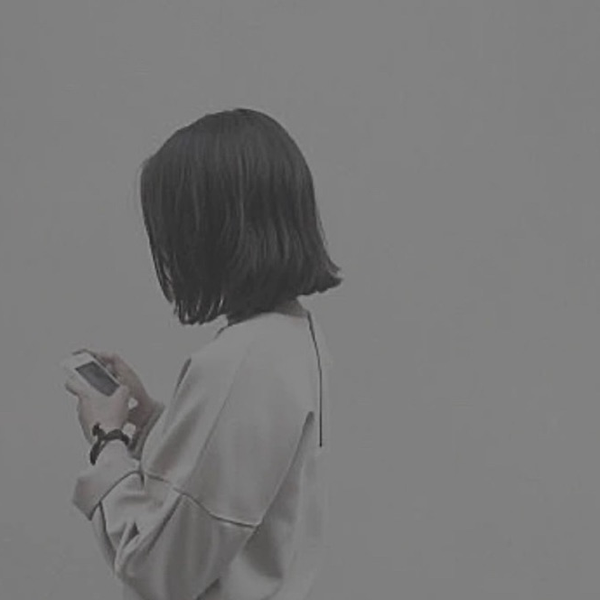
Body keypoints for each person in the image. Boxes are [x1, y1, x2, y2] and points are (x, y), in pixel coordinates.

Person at [64, 107, 343, 600]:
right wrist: (152, 422)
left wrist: (107, 441)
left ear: (209, 231)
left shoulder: (240, 362)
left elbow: (158, 569)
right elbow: (241, 502)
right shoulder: (296, 337)